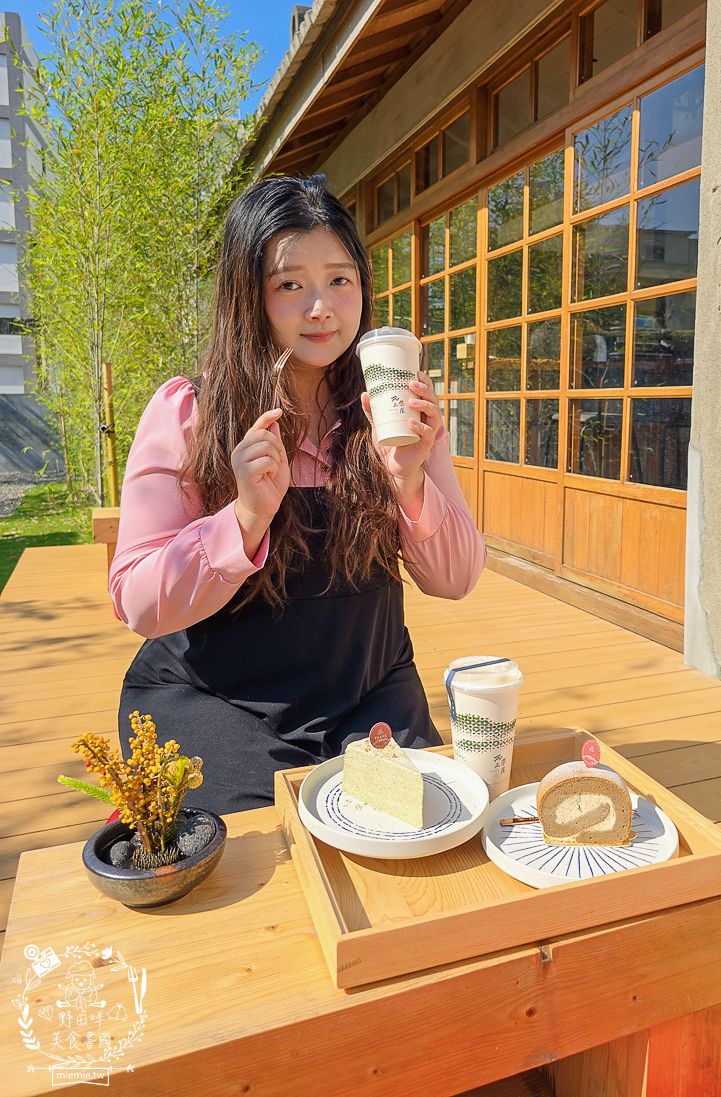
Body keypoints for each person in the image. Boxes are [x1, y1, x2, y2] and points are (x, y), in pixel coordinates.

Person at [110, 174, 486, 814]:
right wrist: (245, 517)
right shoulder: (191, 413)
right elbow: (139, 601)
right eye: (290, 285)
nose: (323, 308)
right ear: (246, 298)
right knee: (265, 872)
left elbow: (456, 579)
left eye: (341, 279)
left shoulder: (393, 415)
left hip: (369, 700)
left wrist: (409, 480)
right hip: (220, 705)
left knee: (412, 844)